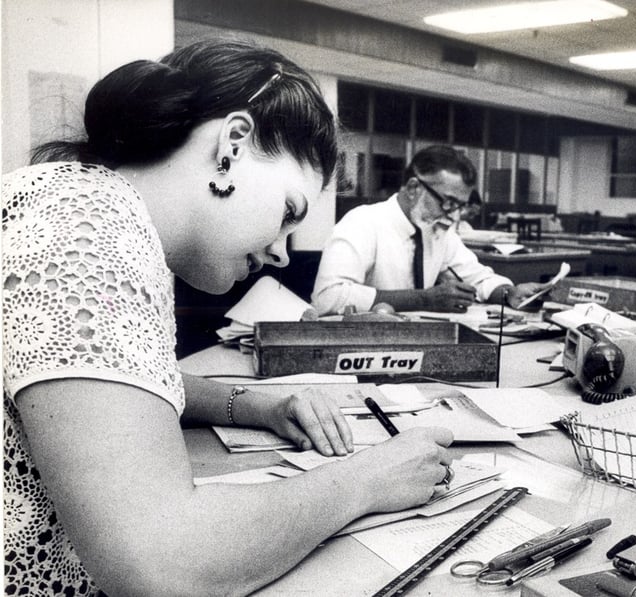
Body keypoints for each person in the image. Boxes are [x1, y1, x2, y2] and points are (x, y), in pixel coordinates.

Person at [2, 39, 454, 596]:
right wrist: (366, 480)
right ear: (232, 144)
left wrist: (258, 405)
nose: (284, 254)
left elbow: (115, 387)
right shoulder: (90, 235)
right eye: (289, 212)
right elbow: (166, 565)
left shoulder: (72, 200)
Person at [312, 145, 548, 314]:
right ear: (414, 187)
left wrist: (509, 292)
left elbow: (477, 277)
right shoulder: (363, 222)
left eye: (460, 206)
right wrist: (424, 299)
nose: (454, 215)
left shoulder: (437, 230)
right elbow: (328, 297)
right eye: (448, 202)